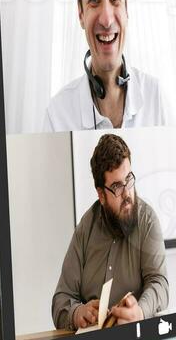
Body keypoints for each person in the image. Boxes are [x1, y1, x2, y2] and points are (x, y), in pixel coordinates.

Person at [45, 0, 171, 131]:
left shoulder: (156, 97)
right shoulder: (57, 114)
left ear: (126, 8)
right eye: (94, 0)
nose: (106, 19)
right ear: (80, 13)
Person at [52, 133, 169, 329]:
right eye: (116, 186)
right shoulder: (86, 228)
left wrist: (139, 312)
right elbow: (60, 300)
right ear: (101, 194)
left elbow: (160, 284)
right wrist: (77, 313)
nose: (127, 193)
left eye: (129, 179)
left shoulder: (147, 220)